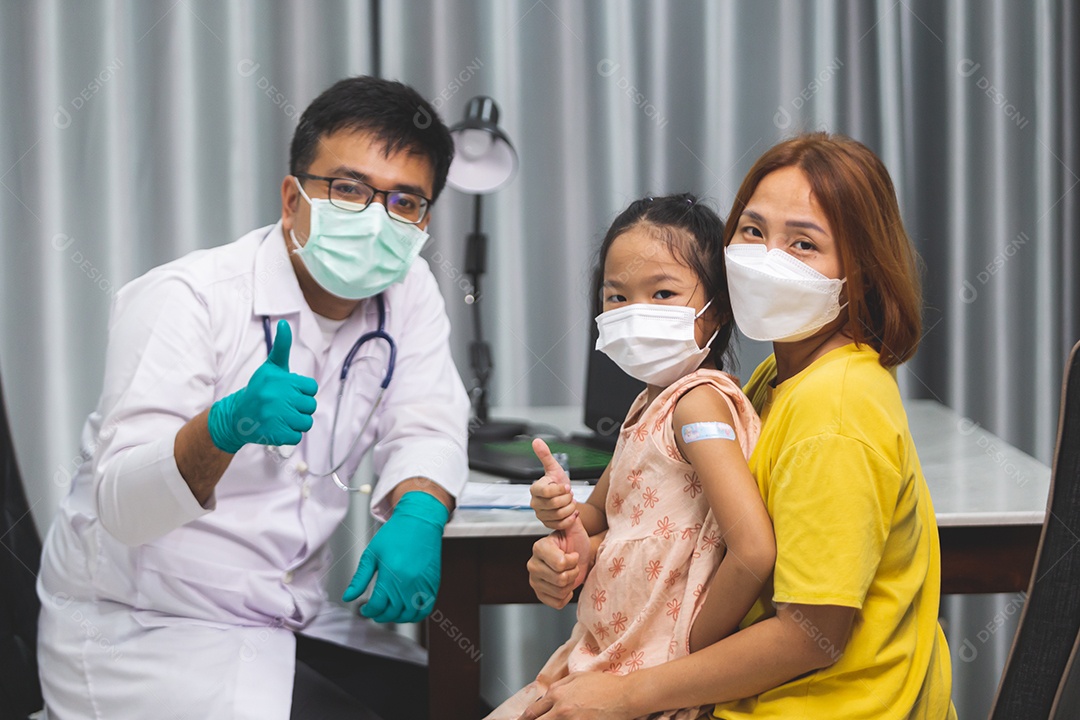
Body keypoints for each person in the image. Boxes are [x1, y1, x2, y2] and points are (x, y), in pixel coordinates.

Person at [36, 76, 470, 720]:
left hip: (281, 615)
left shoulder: (408, 292)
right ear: (292, 197)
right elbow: (122, 505)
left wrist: (420, 512)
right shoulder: (187, 298)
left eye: (404, 201)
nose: (376, 218)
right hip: (147, 626)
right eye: (348, 189)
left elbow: (429, 419)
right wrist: (223, 427)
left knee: (469, 704)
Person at [520, 134, 956, 719]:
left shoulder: (837, 409)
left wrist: (632, 689)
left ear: (861, 270)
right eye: (752, 231)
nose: (767, 257)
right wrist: (586, 554)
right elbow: (684, 529)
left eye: (803, 243)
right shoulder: (778, 376)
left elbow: (810, 634)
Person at [488, 194, 774, 720]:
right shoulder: (651, 403)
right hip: (603, 659)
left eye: (662, 293)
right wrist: (564, 520)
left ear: (717, 313)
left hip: (647, 679)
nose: (636, 312)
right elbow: (605, 513)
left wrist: (685, 654)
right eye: (616, 296)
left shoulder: (696, 405)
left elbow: (753, 551)